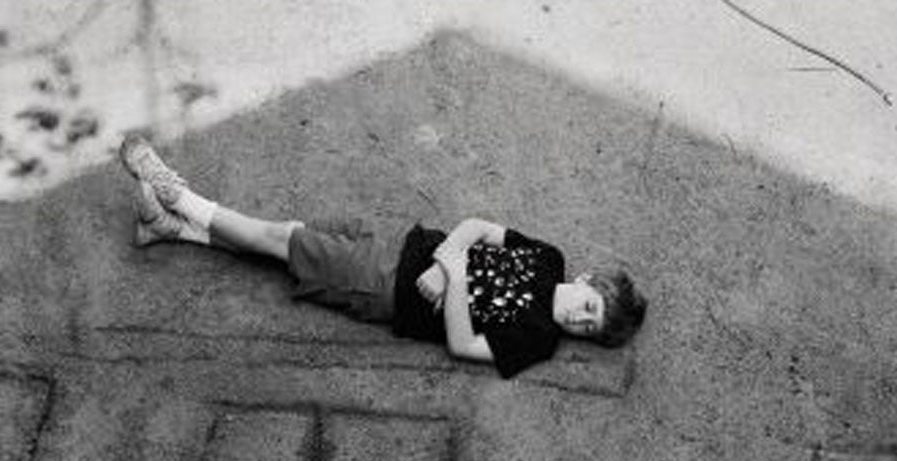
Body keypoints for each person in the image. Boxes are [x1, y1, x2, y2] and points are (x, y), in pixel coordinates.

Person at [117, 136, 645, 380]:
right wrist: (450, 256)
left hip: (385, 289)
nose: (579, 319)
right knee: (293, 239)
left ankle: (175, 195)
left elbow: (463, 345)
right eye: (591, 307)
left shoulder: (537, 341)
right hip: (400, 242)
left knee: (282, 241)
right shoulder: (549, 259)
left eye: (589, 328)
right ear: (588, 280)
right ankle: (169, 230)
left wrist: (455, 278)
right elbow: (480, 227)